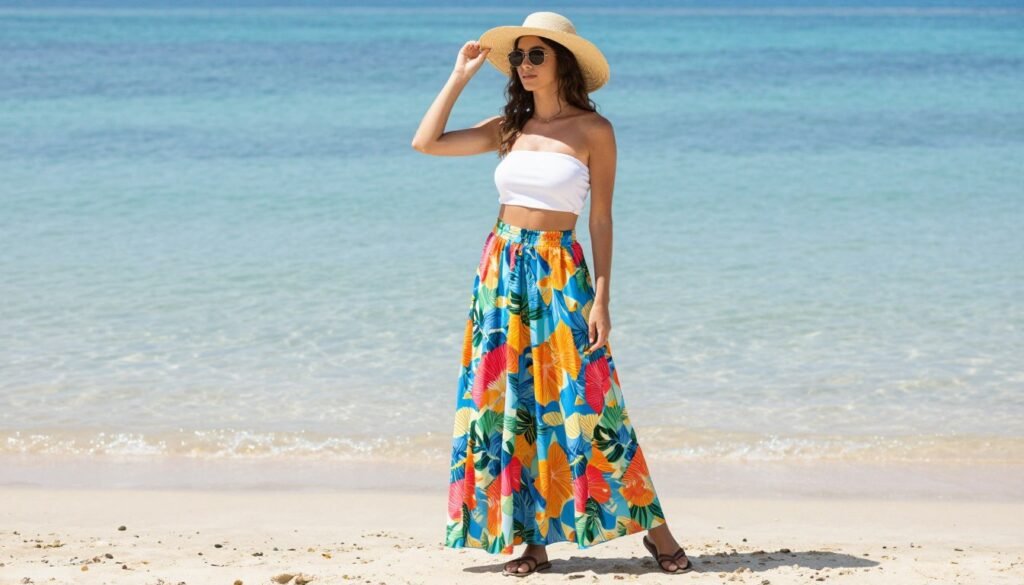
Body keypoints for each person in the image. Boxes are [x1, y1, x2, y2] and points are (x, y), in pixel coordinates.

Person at [411, 11, 694, 578]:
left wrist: (603, 299)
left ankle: (656, 531)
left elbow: (604, 220)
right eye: (518, 57)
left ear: (563, 61)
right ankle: (531, 541)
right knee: (514, 404)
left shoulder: (595, 131)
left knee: (591, 402)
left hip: (561, 269)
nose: (524, 65)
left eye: (535, 54)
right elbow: (427, 142)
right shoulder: (508, 127)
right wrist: (459, 76)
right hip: (501, 271)